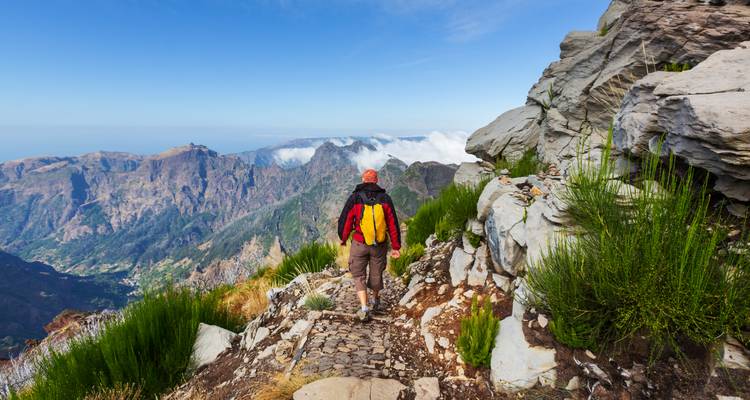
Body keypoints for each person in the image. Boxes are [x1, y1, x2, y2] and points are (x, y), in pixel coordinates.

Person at [337, 168, 401, 322]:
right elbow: (393, 224)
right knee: (376, 273)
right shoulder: (385, 198)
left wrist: (344, 238)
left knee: (358, 274)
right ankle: (376, 299)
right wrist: (396, 247)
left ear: (363, 180)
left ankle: (364, 308)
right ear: (376, 180)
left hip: (359, 242)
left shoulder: (355, 198)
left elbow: (346, 220)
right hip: (379, 245)